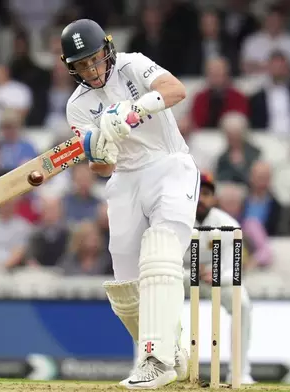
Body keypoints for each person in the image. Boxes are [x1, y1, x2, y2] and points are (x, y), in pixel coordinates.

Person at [61, 19, 198, 389]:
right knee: (125, 287)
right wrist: (101, 150)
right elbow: (102, 167)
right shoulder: (76, 106)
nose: (91, 70)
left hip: (169, 165)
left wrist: (131, 113)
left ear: (106, 50)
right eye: (82, 65)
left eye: (94, 60)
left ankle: (157, 361)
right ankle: (168, 354)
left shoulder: (133, 64)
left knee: (161, 252)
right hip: (125, 180)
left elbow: (176, 90)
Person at [186, 172, 255, 384]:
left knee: (242, 304)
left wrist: (215, 274)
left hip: (213, 280)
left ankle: (239, 371)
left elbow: (233, 269)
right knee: (154, 293)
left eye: (206, 193)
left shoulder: (228, 224)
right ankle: (155, 364)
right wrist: (189, 273)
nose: (201, 199)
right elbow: (166, 261)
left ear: (214, 198)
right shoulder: (176, 220)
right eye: (197, 193)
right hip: (182, 278)